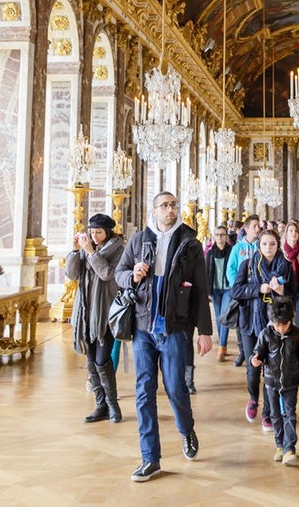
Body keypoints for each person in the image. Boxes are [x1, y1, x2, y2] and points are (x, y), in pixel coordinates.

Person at [115, 191, 213, 483]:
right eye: (165, 206)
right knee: (144, 393)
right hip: (143, 329)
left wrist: (205, 331)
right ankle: (150, 458)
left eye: (174, 205)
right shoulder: (138, 241)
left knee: (175, 389)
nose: (171, 210)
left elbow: (200, 290)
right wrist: (132, 273)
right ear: (154, 210)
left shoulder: (190, 244)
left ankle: (187, 430)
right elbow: (118, 274)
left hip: (174, 328)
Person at [231, 228, 294, 433]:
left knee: (271, 371)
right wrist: (259, 289)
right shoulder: (247, 265)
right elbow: (236, 291)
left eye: (273, 244)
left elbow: (293, 294)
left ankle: (268, 414)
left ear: (278, 245)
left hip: (274, 325)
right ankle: (252, 398)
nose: (268, 248)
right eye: (265, 244)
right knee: (253, 368)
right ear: (259, 245)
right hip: (250, 323)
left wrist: (282, 292)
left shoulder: (285, 267)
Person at [65, 212, 124, 424]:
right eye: (91, 232)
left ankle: (113, 404)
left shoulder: (118, 249)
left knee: (102, 359)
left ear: (108, 232)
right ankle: (101, 405)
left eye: (99, 232)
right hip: (85, 313)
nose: (95, 236)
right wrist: (75, 250)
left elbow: (108, 274)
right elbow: (72, 274)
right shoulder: (86, 249)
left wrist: (90, 253)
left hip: (106, 314)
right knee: (91, 360)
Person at [251, 295, 299, 465]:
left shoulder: (298, 335)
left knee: (290, 415)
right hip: (271, 382)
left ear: (291, 320)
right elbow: (258, 352)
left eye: (285, 324)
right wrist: (255, 359)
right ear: (272, 320)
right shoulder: (265, 334)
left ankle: (290, 449)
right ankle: (279, 445)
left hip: (290, 382)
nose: (281, 329)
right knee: (275, 416)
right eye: (278, 324)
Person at [226, 213, 261, 366]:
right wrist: (237, 286)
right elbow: (230, 269)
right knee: (241, 323)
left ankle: (259, 351)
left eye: (259, 226)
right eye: (254, 226)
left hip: (259, 290)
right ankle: (243, 351)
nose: (258, 229)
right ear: (246, 229)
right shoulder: (237, 248)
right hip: (242, 291)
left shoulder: (262, 245)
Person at [205, 225, 233, 361]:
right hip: (215, 289)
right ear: (214, 236)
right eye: (218, 235)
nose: (220, 237)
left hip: (228, 289)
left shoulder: (231, 251)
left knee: (224, 316)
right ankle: (224, 344)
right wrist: (206, 292)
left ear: (226, 236)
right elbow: (206, 273)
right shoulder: (210, 254)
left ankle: (221, 347)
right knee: (218, 318)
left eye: (222, 234)